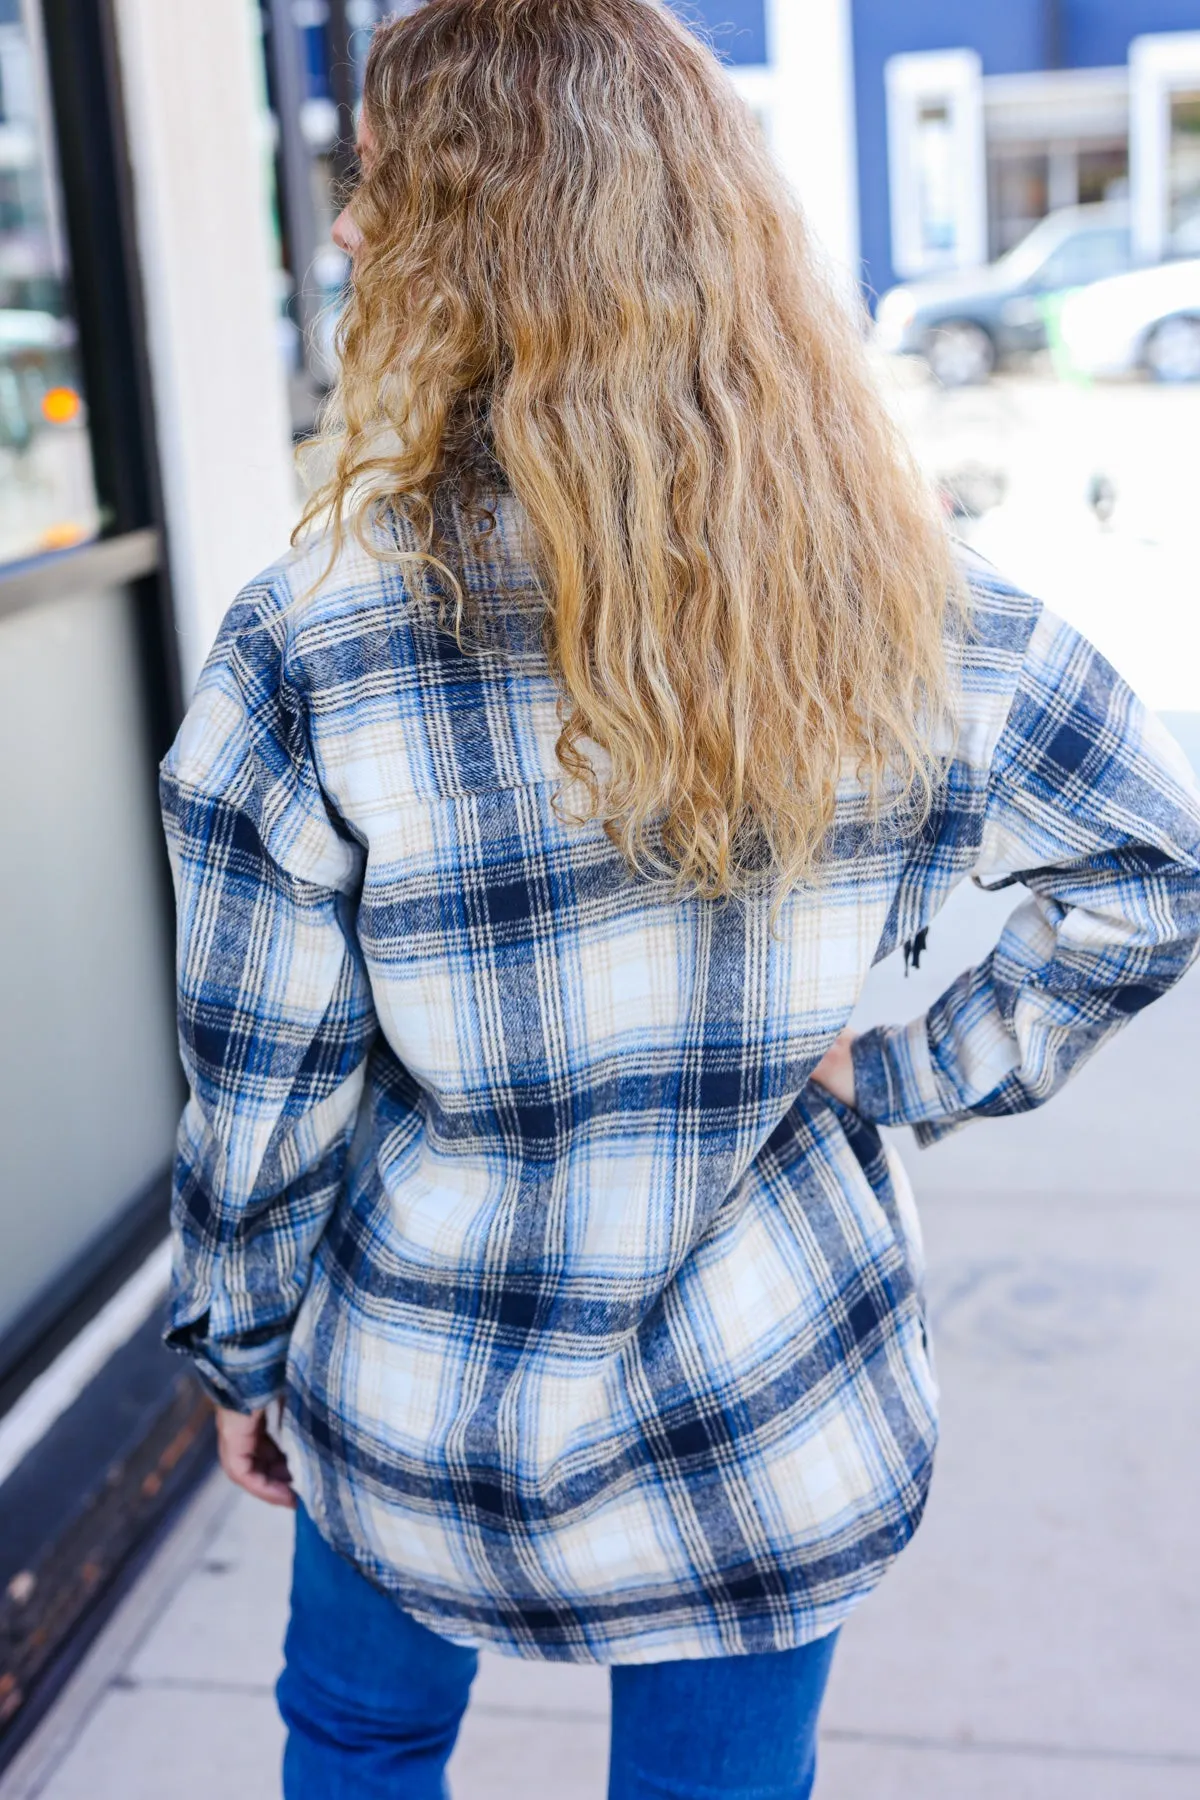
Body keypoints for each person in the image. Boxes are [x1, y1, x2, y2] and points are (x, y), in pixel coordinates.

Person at [158, 3, 1200, 1796]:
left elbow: (268, 1093)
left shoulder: (312, 641)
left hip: (424, 1395)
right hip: (768, 1408)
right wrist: (902, 1075)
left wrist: (240, 1344)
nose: (340, 234)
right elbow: (1146, 871)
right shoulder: (910, 602)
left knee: (355, 1736)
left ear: (484, 233)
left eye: (377, 186)